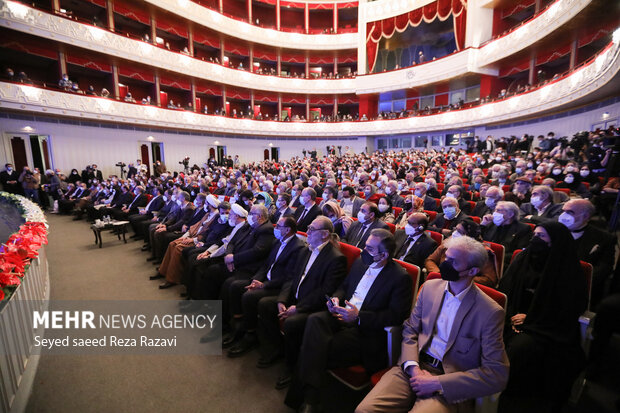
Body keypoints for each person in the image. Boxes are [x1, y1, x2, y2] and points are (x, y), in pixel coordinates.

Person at [357, 236, 509, 413]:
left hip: (448, 380)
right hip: (414, 365)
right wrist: (414, 369)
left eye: (453, 262)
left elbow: (496, 373)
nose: (444, 263)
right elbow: (411, 330)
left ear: (472, 270)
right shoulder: (430, 288)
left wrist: (437, 383)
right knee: (365, 410)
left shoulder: (490, 312)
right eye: (446, 257)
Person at [285, 229, 413, 412]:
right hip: (341, 314)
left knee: (317, 346)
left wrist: (359, 317)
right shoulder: (361, 262)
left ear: (383, 254)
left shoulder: (400, 278)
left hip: (365, 330)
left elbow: (395, 316)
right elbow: (344, 287)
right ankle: (310, 397)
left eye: (369, 248)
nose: (363, 250)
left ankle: (308, 397)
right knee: (314, 320)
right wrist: (336, 299)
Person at [498, 222, 587, 413]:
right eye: (535, 234)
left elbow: (569, 307)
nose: (536, 239)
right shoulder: (523, 258)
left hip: (548, 323)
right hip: (513, 316)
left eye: (542, 236)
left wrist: (530, 319)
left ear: (555, 242)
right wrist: (512, 315)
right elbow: (506, 290)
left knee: (520, 348)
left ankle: (512, 397)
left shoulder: (567, 268)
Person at [257, 217, 347, 390]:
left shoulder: (336, 258)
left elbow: (324, 292)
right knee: (266, 304)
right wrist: (282, 300)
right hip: (295, 298)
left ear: (325, 234)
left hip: (312, 306)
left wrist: (298, 308)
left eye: (312, 229)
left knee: (291, 323)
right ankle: (276, 349)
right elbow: (291, 278)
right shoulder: (306, 250)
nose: (308, 231)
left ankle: (292, 367)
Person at [225, 216, 306, 358]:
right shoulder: (278, 241)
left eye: (278, 226)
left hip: (277, 286)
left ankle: (250, 335)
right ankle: (238, 326)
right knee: (236, 286)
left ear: (287, 230)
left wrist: (263, 285)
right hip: (265, 280)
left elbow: (288, 277)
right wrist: (256, 279)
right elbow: (266, 265)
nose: (275, 229)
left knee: (249, 296)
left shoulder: (297, 247)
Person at [558, 199, 617, 308]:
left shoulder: (605, 238)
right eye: (563, 211)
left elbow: (605, 267)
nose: (563, 215)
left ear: (585, 216)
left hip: (581, 288)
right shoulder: (552, 231)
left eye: (570, 212)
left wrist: (578, 282)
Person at [426, 219, 499, 287]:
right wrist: (439, 274)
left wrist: (462, 278)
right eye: (455, 229)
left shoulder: (481, 252)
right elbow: (430, 260)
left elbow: (489, 280)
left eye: (460, 232)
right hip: (441, 282)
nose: (454, 233)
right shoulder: (449, 242)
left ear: (469, 236)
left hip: (465, 287)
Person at [481, 201, 532, 268]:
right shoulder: (492, 224)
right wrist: (483, 225)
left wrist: (495, 256)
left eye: (498, 210)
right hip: (486, 259)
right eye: (495, 210)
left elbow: (518, 253)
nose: (494, 213)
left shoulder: (523, 229)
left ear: (510, 214)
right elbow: (480, 241)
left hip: (504, 263)